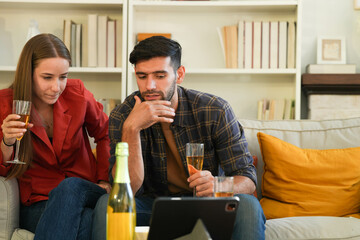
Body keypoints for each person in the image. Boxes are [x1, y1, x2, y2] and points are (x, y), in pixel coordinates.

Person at [93, 36, 266, 240]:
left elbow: (247, 178)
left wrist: (218, 185)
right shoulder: (123, 115)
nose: (150, 85)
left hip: (206, 205)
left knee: (249, 205)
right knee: (107, 205)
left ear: (179, 74)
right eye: (142, 76)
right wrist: (131, 129)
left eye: (159, 75)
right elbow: (127, 188)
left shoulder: (214, 110)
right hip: (153, 206)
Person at [0, 33, 111, 240]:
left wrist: (104, 178)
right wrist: (7, 142)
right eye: (47, 77)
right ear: (28, 73)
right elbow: (3, 168)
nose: (56, 87)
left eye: (63, 77)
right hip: (40, 201)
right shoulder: (5, 103)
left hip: (86, 189)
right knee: (87, 221)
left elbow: (105, 133)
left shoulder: (77, 93)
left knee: (70, 187)